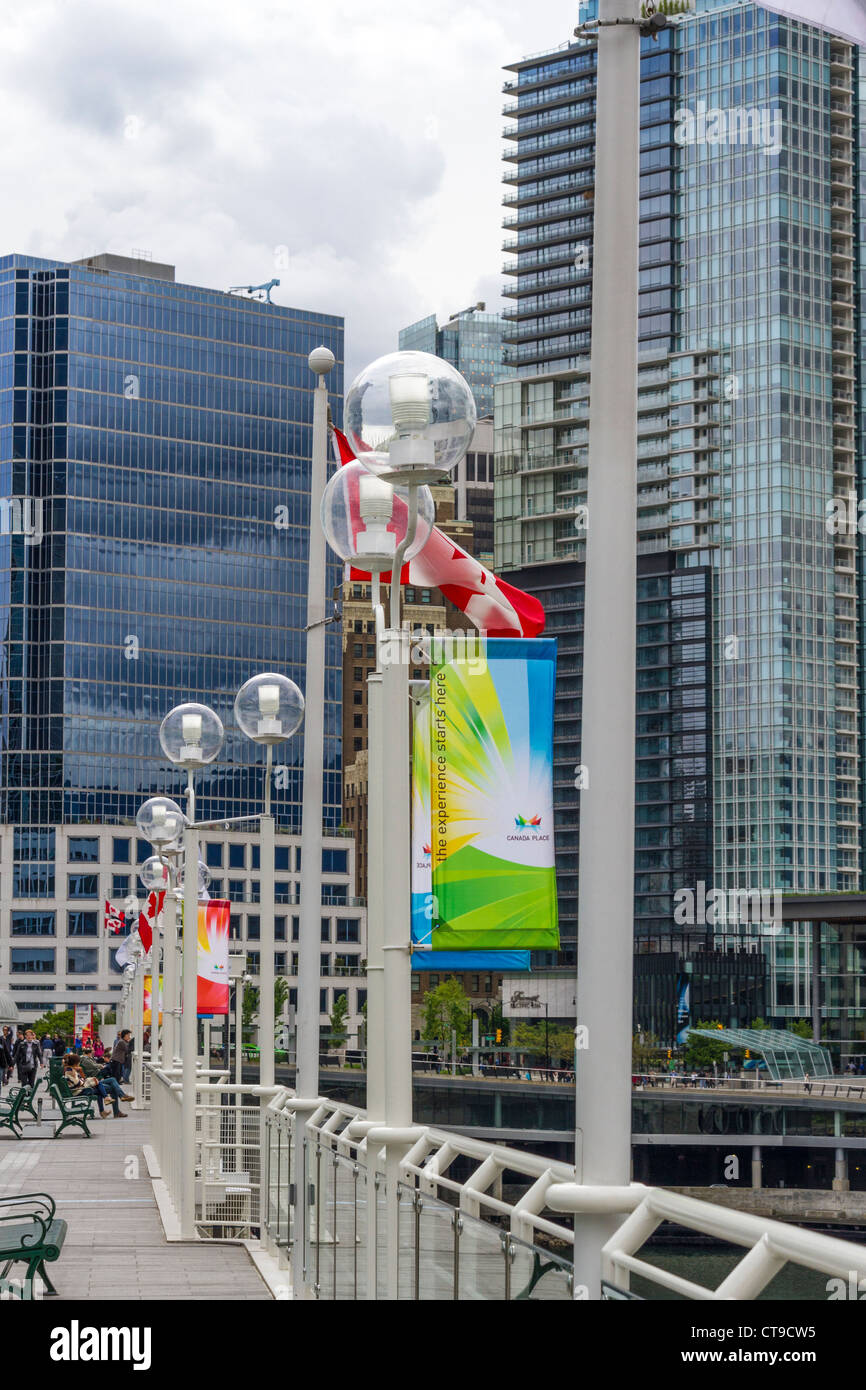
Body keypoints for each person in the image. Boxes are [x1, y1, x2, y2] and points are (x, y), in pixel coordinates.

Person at [63, 1053, 126, 1120]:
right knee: (113, 1087)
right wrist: (84, 1079)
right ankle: (114, 1104)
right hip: (82, 1089)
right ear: (75, 1063)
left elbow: (81, 1079)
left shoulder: (72, 1069)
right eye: (78, 1062)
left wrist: (81, 1073)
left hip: (84, 1087)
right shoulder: (70, 1071)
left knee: (112, 1080)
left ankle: (116, 1099)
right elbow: (78, 1083)